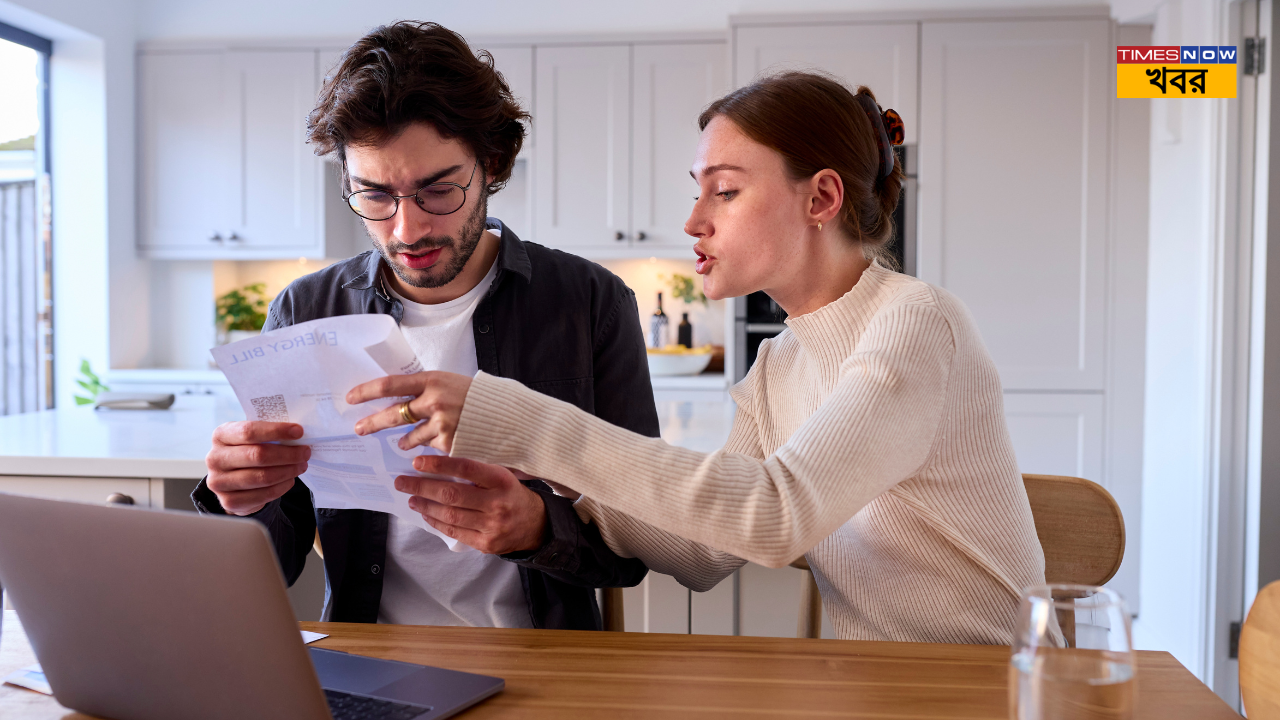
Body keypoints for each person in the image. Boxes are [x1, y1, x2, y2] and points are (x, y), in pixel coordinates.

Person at [347, 72, 1048, 644]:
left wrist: (522, 421)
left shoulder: (915, 323)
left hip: (994, 690)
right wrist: (548, 484)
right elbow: (702, 553)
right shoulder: (781, 364)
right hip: (879, 692)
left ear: (822, 198)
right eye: (697, 188)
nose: (693, 220)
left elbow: (775, 518)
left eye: (727, 190)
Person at [193, 21, 655, 631]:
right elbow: (272, 567)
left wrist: (538, 528)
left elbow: (638, 546)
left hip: (550, 661)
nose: (407, 231)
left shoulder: (590, 302)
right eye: (375, 196)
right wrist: (241, 500)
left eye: (438, 191)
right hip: (373, 654)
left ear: (492, 163)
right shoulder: (306, 310)